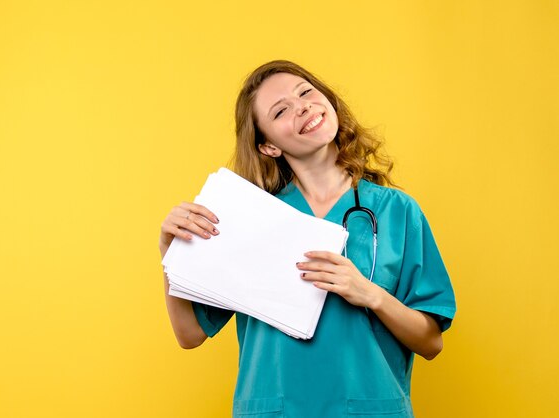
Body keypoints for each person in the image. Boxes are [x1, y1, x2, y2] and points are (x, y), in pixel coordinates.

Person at [159, 60, 456, 418]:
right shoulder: (247, 216)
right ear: (268, 145)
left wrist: (370, 294)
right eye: (281, 110)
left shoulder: (397, 211)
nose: (301, 107)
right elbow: (190, 335)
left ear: (328, 101)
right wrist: (170, 255)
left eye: (306, 92)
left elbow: (430, 342)